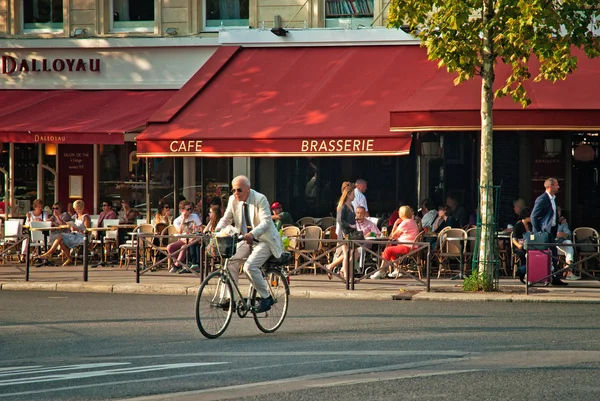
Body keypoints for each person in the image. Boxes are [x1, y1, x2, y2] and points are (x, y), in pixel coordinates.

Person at [216, 175, 284, 313]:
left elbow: (266, 222)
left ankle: (266, 297)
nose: (236, 193)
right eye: (233, 190)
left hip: (264, 240)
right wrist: (216, 231)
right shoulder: (232, 200)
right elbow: (226, 218)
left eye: (239, 190)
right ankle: (230, 298)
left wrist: (253, 233)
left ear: (248, 189)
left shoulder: (260, 198)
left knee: (249, 267)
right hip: (245, 239)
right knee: (230, 262)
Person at [530, 177, 567, 286]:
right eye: (556, 185)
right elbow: (533, 216)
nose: (558, 187)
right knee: (546, 254)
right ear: (550, 186)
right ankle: (542, 277)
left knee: (553, 254)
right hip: (544, 232)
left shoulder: (553, 199)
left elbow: (551, 215)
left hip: (551, 231)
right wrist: (538, 231)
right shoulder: (542, 199)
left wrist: (557, 222)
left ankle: (555, 277)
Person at [371, 206, 419, 279]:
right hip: (412, 246)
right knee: (391, 248)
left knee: (387, 250)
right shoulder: (411, 221)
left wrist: (395, 224)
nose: (398, 213)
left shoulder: (405, 223)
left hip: (408, 247)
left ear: (402, 213)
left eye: (399, 211)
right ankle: (396, 270)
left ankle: (381, 270)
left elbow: (393, 235)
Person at [39, 200, 90, 266]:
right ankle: (69, 258)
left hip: (82, 237)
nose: (77, 211)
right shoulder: (76, 216)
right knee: (61, 241)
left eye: (79, 209)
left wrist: (76, 229)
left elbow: (87, 231)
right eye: (76, 209)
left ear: (82, 208)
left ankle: (49, 253)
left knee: (60, 235)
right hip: (75, 235)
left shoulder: (85, 217)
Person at [326, 182, 356, 280]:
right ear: (348, 194)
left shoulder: (351, 206)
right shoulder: (343, 207)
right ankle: (347, 276)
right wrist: (349, 225)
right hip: (345, 233)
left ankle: (343, 271)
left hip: (352, 233)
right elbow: (340, 220)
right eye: (353, 194)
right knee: (347, 254)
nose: (354, 195)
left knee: (355, 254)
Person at [167, 200, 202, 273]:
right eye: (188, 209)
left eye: (191, 209)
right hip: (182, 240)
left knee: (183, 247)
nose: (190, 211)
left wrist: (194, 237)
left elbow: (200, 229)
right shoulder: (177, 220)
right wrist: (182, 221)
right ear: (182, 210)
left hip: (193, 239)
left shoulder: (195, 216)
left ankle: (176, 266)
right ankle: (181, 264)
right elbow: (179, 232)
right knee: (170, 247)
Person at [556, 206, 580, 280]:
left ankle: (569, 271)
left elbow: (568, 234)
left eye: (559, 211)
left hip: (560, 244)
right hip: (550, 246)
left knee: (569, 242)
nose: (558, 213)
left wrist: (562, 234)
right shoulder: (547, 221)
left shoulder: (563, 222)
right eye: (556, 211)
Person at [512, 207, 532, 283]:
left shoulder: (530, 226)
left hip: (529, 246)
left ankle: (523, 270)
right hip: (520, 247)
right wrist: (518, 245)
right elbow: (514, 239)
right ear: (526, 216)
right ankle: (523, 273)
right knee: (523, 254)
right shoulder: (518, 226)